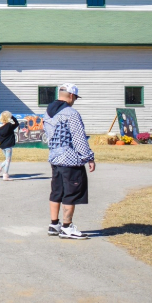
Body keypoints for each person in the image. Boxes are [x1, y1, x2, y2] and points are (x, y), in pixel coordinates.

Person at [44, 83, 95, 240]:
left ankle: (54, 224)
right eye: (75, 98)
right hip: (70, 159)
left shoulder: (48, 112)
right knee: (71, 192)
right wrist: (89, 157)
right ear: (71, 96)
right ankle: (67, 227)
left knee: (56, 191)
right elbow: (79, 139)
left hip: (55, 157)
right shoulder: (71, 113)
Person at [0, 111, 19, 181]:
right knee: (8, 160)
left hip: (2, 146)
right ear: (8, 117)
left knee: (7, 159)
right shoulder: (9, 126)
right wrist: (13, 117)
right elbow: (17, 124)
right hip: (8, 145)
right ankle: (5, 175)